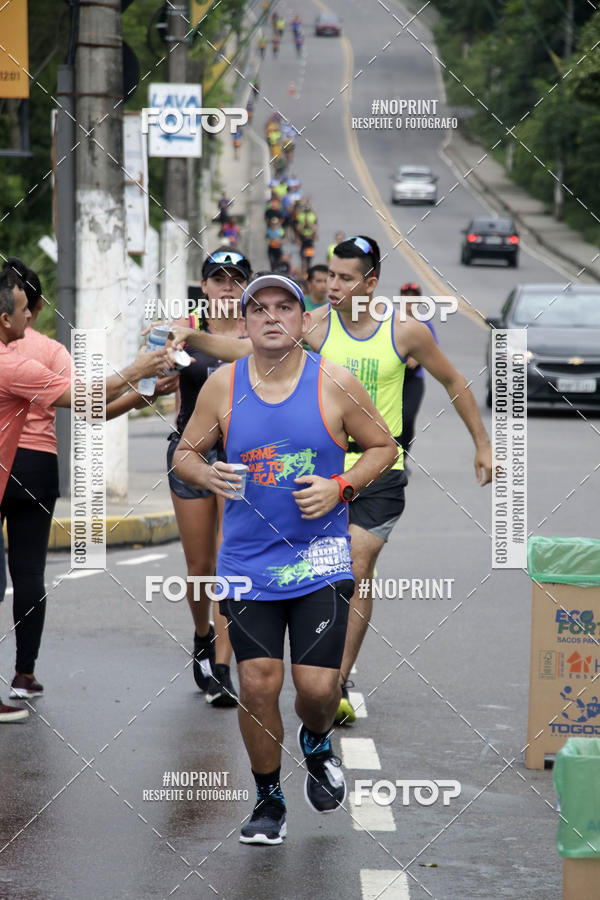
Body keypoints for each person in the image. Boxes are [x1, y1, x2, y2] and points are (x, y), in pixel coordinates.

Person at [168, 236, 493, 726]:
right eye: (331, 276)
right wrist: (189, 337)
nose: (333, 285)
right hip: (319, 470)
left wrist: (483, 444)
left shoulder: (406, 332)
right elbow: (243, 346)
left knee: (356, 562)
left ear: (371, 283)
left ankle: (333, 678)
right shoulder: (315, 322)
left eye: (344, 278)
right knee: (336, 569)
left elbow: (454, 381)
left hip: (379, 470)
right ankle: (320, 677)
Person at [173, 274, 398, 844]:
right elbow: (184, 455)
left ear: (303, 320)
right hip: (247, 562)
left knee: (318, 691)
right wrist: (208, 472)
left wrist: (341, 487)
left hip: (320, 558)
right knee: (256, 684)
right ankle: (268, 800)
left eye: (285, 308)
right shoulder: (223, 387)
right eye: (259, 309)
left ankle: (317, 743)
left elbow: (383, 447)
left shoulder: (335, 383)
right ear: (245, 323)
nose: (272, 317)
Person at [1, 258, 177, 704]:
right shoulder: (48, 352)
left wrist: (141, 382)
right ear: (31, 307)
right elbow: (90, 404)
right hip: (37, 469)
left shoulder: (17, 348)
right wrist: (141, 385)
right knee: (29, 573)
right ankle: (24, 673)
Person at [167, 248, 252, 706]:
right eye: (218, 279)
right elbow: (155, 376)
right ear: (204, 286)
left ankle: (222, 667)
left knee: (228, 559)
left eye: (236, 279)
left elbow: (258, 361)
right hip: (191, 450)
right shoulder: (181, 328)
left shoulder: (254, 332)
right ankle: (202, 634)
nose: (227, 286)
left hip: (241, 456)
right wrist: (160, 371)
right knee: (200, 566)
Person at [398, 282, 438, 464]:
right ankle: (389, 460)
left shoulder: (425, 325)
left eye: (413, 297)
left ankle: (402, 458)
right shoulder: (392, 321)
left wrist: (418, 358)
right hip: (393, 379)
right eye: (406, 297)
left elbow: (433, 352)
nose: (409, 301)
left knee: (407, 418)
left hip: (414, 379)